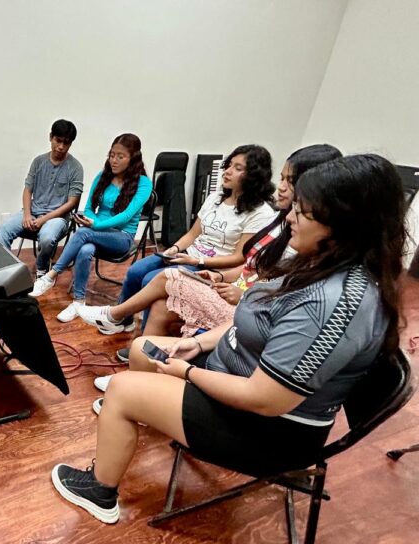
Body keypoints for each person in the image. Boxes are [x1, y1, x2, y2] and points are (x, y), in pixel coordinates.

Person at [50, 154, 406, 524]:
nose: (290, 217)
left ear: (343, 225)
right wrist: (200, 344)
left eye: (303, 212)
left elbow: (264, 399)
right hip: (238, 378)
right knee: (143, 349)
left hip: (267, 431)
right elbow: (251, 320)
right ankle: (141, 418)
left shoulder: (330, 303)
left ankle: (100, 491)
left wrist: (189, 373)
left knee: (123, 389)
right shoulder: (321, 265)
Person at [78, 145, 343, 361]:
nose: (281, 187)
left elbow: (249, 265)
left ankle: (115, 317)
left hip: (228, 285)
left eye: (237, 168)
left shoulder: (275, 222)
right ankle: (136, 349)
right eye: (282, 179)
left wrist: (205, 265)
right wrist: (177, 250)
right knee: (142, 275)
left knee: (161, 279)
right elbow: (246, 264)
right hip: (219, 275)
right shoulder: (266, 218)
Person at [108, 145, 277, 336]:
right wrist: (174, 248)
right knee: (136, 271)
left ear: (255, 176)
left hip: (214, 267)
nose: (228, 171)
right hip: (189, 255)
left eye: (238, 168)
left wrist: (198, 261)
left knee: (150, 279)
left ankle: (142, 336)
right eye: (229, 165)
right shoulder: (215, 197)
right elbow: (192, 234)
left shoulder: (260, 212)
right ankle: (122, 322)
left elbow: (239, 257)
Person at [28, 133, 152, 322]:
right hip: (94, 233)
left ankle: (51, 275)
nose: (114, 160)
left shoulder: (143, 184)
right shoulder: (103, 176)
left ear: (133, 158)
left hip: (121, 237)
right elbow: (88, 209)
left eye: (120, 156)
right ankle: (78, 302)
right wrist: (92, 222)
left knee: (83, 233)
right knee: (85, 248)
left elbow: (126, 216)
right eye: (112, 155)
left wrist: (96, 225)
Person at [0, 120, 83, 277]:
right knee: (3, 230)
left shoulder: (75, 167)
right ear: (50, 137)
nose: (61, 146)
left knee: (47, 238)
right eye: (58, 140)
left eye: (66, 143)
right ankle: (5, 272)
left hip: (57, 218)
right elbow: (27, 190)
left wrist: (44, 219)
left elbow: (72, 203)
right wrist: (27, 214)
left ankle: (42, 268)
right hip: (33, 212)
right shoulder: (38, 162)